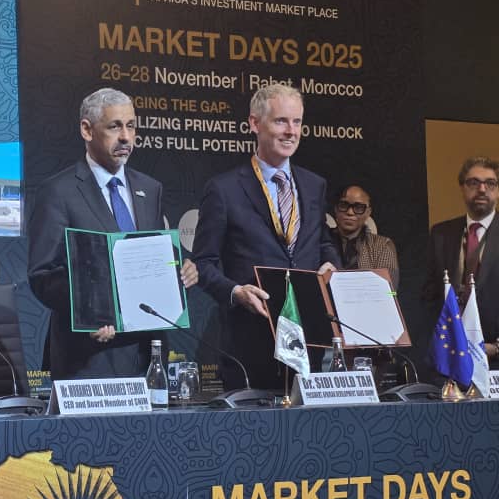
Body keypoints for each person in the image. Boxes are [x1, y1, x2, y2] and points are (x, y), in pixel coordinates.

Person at [28, 88, 198, 379]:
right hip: (88, 358)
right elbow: (42, 276)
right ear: (87, 130)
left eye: (131, 126)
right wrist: (88, 311)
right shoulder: (58, 192)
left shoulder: (150, 189)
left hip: (148, 355)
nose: (126, 137)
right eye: (115, 126)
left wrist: (180, 272)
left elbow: (153, 260)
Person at [193, 83, 338, 390]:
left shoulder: (314, 186)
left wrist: (331, 265)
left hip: (309, 341)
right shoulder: (224, 189)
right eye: (281, 121)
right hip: (250, 344)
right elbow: (203, 263)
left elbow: (323, 242)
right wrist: (235, 292)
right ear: (255, 123)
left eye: (297, 122)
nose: (291, 131)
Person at [422, 156, 499, 362]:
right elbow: (430, 295)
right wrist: (441, 340)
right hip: (449, 355)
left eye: (490, 183)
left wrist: (496, 347)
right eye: (474, 182)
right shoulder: (441, 233)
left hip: (494, 355)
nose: (482, 189)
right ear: (462, 188)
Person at [330, 185, 400, 288]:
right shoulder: (321, 243)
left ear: (368, 212)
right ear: (336, 209)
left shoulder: (382, 246)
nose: (350, 212)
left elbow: (390, 290)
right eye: (343, 205)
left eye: (358, 207)